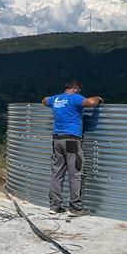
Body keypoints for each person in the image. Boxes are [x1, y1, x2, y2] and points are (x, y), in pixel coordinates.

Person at [42, 80, 103, 216]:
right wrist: (98, 98)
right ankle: (75, 208)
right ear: (75, 89)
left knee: (56, 174)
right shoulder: (75, 98)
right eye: (79, 91)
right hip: (71, 140)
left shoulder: (55, 99)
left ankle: (55, 206)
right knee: (75, 174)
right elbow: (91, 103)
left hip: (57, 139)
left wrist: (53, 101)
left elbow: (44, 100)